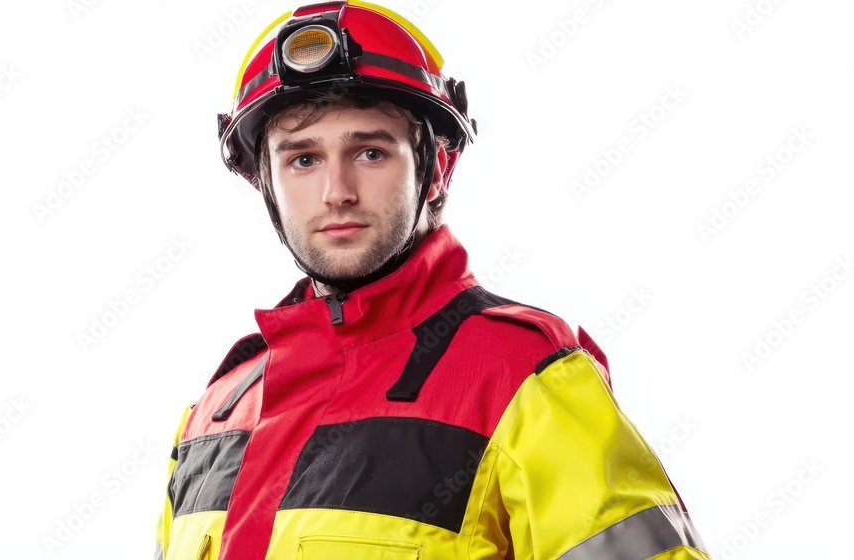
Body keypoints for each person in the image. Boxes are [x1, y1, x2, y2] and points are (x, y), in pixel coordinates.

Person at [155, 2, 709, 558]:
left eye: (370, 152)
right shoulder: (215, 412)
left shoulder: (525, 378)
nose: (336, 192)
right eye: (303, 160)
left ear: (437, 168)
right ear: (264, 183)